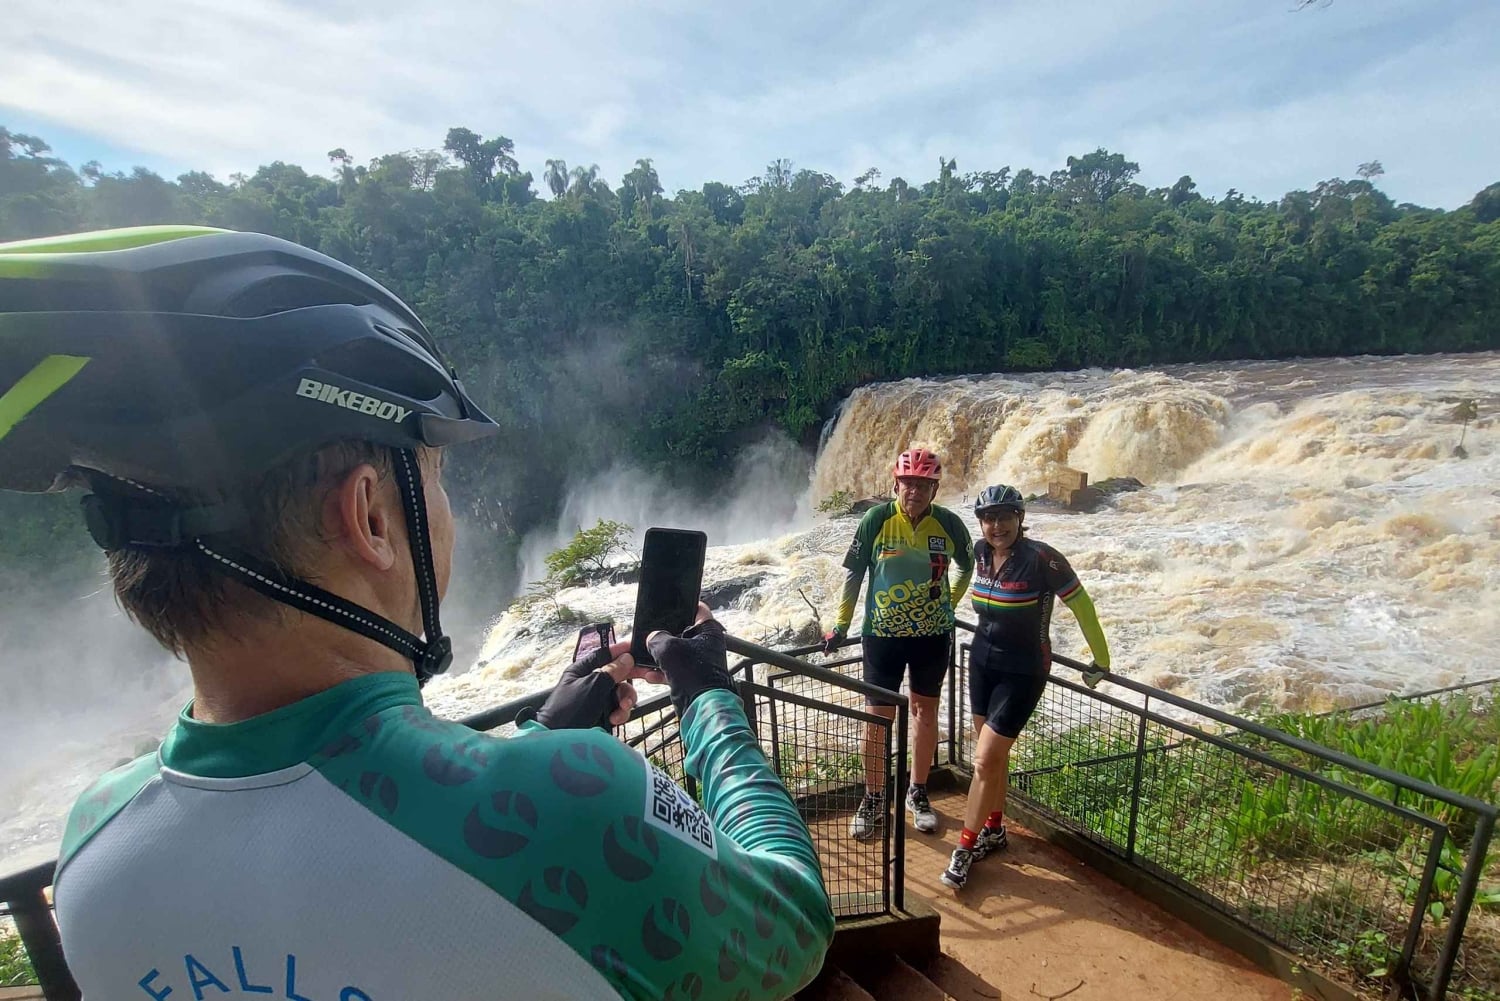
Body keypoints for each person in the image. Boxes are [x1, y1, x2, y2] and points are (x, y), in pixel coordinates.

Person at [0, 226, 832, 1000]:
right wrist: (709, 698)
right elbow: (792, 920)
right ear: (370, 516)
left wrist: (537, 734)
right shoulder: (575, 808)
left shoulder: (91, 850)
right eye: (436, 478)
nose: (451, 518)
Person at [940, 484, 1111, 890]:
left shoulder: (1042, 559)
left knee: (984, 761)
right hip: (981, 662)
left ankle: (964, 847)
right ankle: (995, 829)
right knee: (992, 758)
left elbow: (1083, 606)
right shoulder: (980, 554)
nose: (996, 526)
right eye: (989, 518)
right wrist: (943, 607)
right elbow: (961, 583)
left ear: (1019, 518)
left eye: (1004, 517)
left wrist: (1101, 661)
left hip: (1023, 670)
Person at [821, 448, 974, 839]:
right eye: (908, 484)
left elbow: (967, 565)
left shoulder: (949, 524)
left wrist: (950, 602)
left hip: (932, 638)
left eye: (923, 485)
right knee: (877, 721)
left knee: (926, 713)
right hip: (882, 637)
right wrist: (841, 625)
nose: (915, 491)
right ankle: (873, 797)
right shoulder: (876, 519)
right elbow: (854, 574)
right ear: (896, 485)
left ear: (934, 489)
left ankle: (917, 791)